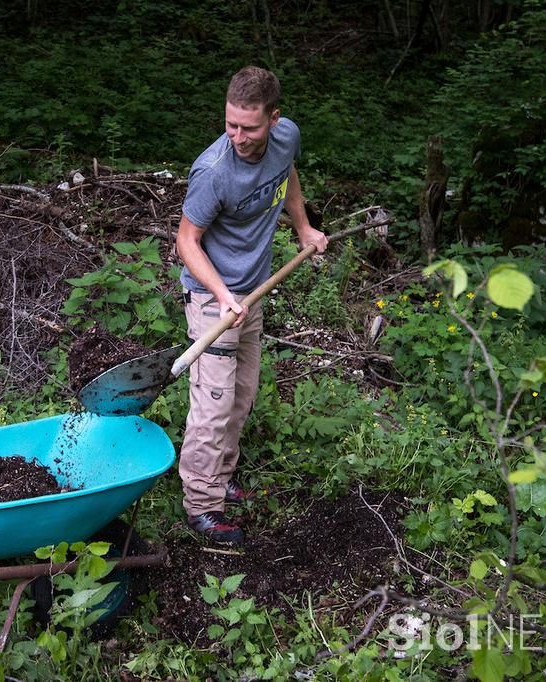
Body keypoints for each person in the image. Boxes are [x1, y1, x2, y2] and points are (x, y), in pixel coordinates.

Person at [176, 65, 327, 545]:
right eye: (231, 125)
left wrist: (302, 227)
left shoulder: (287, 139)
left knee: (241, 395)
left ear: (275, 120)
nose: (238, 136)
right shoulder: (213, 171)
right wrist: (222, 297)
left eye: (249, 127)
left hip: (252, 292)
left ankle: (220, 479)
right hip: (212, 298)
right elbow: (186, 242)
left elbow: (288, 176)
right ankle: (200, 504)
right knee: (213, 405)